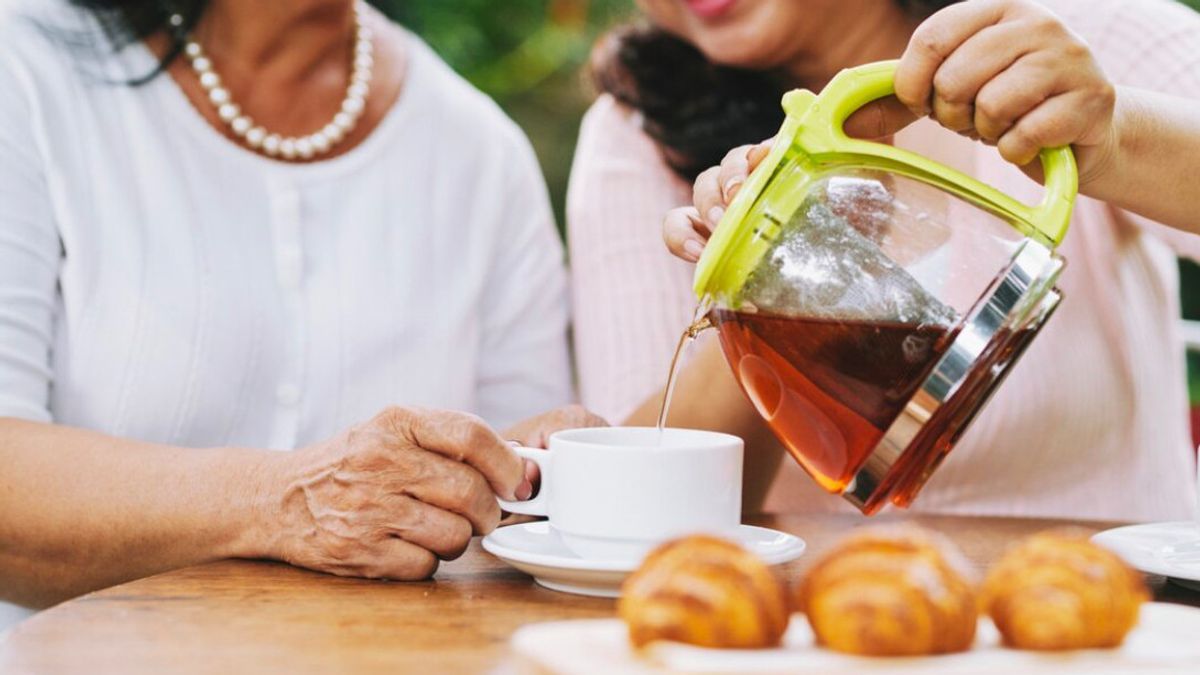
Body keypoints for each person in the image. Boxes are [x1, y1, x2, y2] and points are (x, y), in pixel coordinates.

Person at [0, 0, 603, 626]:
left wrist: (524, 472)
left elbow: (511, 535)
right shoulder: (26, 67)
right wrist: (279, 502)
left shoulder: (482, 154)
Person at [569, 0, 1200, 520]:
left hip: (1118, 614)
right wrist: (773, 263)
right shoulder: (635, 130)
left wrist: (1114, 139)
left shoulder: (1075, 37)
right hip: (800, 621)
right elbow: (637, 501)